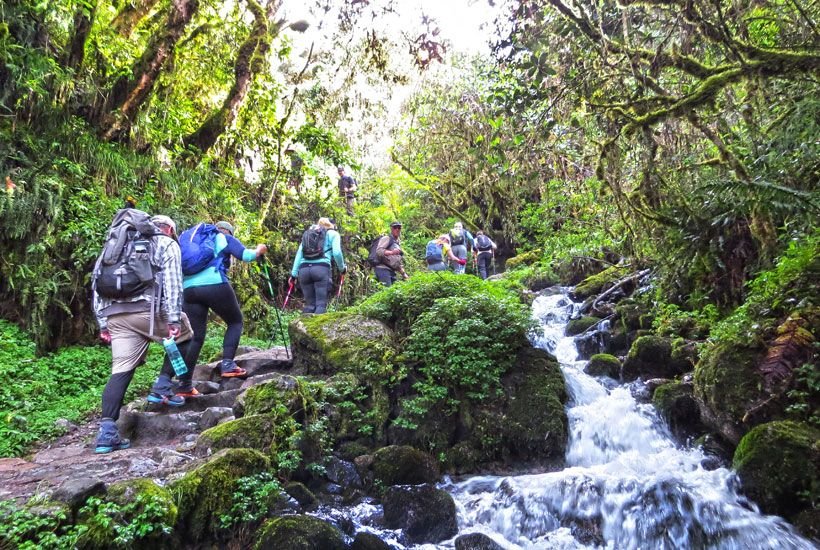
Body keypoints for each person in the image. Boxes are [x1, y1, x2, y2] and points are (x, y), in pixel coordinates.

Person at [92, 213, 195, 454]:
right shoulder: (166, 243)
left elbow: (96, 283)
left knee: (120, 369)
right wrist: (173, 318)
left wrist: (103, 323)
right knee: (187, 333)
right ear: (169, 229)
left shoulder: (115, 246)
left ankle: (107, 434)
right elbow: (172, 283)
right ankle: (162, 386)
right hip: (148, 311)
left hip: (115, 314)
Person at [182, 220, 268, 381]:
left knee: (195, 336)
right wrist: (259, 250)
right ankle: (227, 364)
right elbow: (246, 255)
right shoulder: (225, 238)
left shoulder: (194, 242)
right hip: (215, 283)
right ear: (229, 231)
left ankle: (184, 384)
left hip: (188, 289)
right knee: (235, 321)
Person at [290, 217, 346, 313]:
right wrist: (342, 268)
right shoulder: (333, 234)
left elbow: (299, 254)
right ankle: (317, 327)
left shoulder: (308, 234)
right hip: (321, 269)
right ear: (332, 225)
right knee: (320, 304)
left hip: (304, 271)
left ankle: (303, 327)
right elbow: (337, 253)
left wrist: (293, 275)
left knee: (309, 305)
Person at [373, 221, 409, 287]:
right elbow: (379, 251)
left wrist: (404, 274)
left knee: (394, 292)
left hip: (391, 270)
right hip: (383, 269)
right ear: (391, 229)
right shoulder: (387, 238)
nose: (397, 229)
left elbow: (396, 261)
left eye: (399, 227)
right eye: (395, 227)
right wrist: (392, 252)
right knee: (387, 292)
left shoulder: (397, 242)